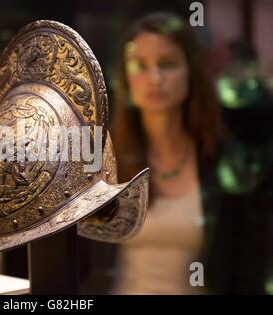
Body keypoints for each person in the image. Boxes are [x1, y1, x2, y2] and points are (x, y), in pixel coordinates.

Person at [109, 12, 272, 294]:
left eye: (168, 63)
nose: (155, 78)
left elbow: (248, 269)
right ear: (125, 76)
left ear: (191, 71)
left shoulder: (225, 163)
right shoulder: (104, 162)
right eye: (139, 65)